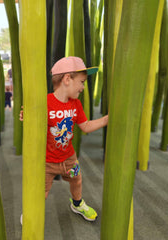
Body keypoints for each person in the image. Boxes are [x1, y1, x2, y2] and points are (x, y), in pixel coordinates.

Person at [20, 56, 108, 222]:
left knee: (77, 180)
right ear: (67, 79)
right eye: (81, 82)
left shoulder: (75, 104)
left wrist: (105, 120)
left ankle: (77, 204)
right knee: (42, 191)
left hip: (69, 158)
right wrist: (26, 116)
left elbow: (86, 126)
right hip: (47, 162)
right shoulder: (44, 102)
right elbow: (31, 121)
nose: (83, 87)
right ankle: (31, 212)